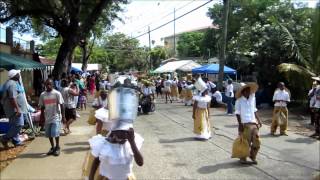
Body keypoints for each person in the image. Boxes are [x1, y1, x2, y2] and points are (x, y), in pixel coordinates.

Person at [235, 82, 262, 164]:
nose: (248, 92)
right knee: (245, 142)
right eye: (246, 90)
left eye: (249, 90)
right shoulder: (239, 101)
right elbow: (237, 113)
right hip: (245, 124)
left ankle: (252, 156)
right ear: (243, 92)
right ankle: (243, 158)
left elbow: (254, 110)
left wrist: (259, 120)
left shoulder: (252, 99)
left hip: (253, 123)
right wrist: (240, 124)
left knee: (257, 141)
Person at [0, 69, 28, 147]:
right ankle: (4, 138)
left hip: (13, 109)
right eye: (18, 74)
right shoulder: (12, 84)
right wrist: (17, 109)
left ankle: (16, 141)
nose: (19, 75)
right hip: (14, 110)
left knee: (13, 125)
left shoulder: (12, 82)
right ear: (14, 76)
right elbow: (12, 98)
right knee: (19, 125)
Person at [39, 79, 65, 156]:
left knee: (55, 132)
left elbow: (62, 105)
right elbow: (42, 107)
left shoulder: (57, 93)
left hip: (56, 116)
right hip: (47, 117)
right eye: (47, 84)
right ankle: (52, 147)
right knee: (49, 134)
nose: (48, 86)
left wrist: (63, 116)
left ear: (53, 84)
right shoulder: (43, 95)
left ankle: (57, 147)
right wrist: (42, 118)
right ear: (45, 85)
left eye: (50, 84)